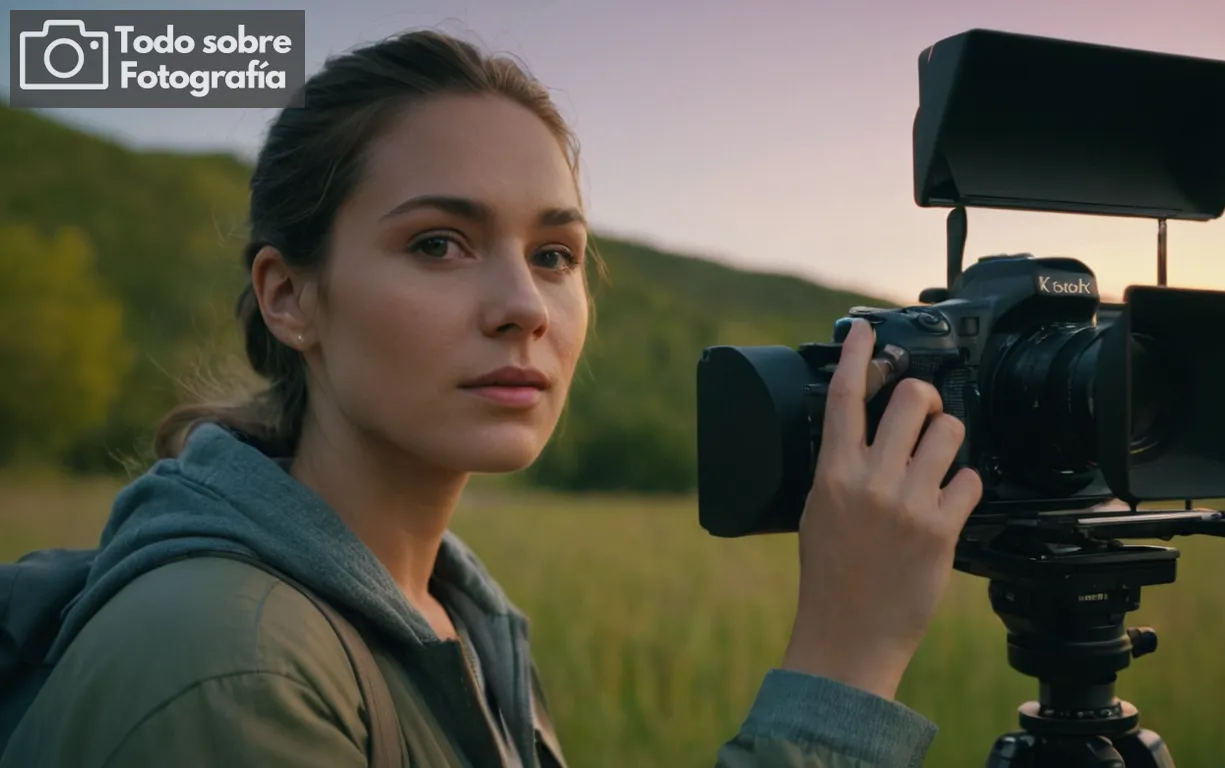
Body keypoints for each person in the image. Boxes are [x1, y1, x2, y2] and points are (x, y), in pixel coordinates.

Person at [0, 29, 981, 768]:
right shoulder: (229, 663)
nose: (524, 306)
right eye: (437, 244)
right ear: (289, 296)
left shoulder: (455, 619)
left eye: (555, 255)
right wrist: (843, 667)